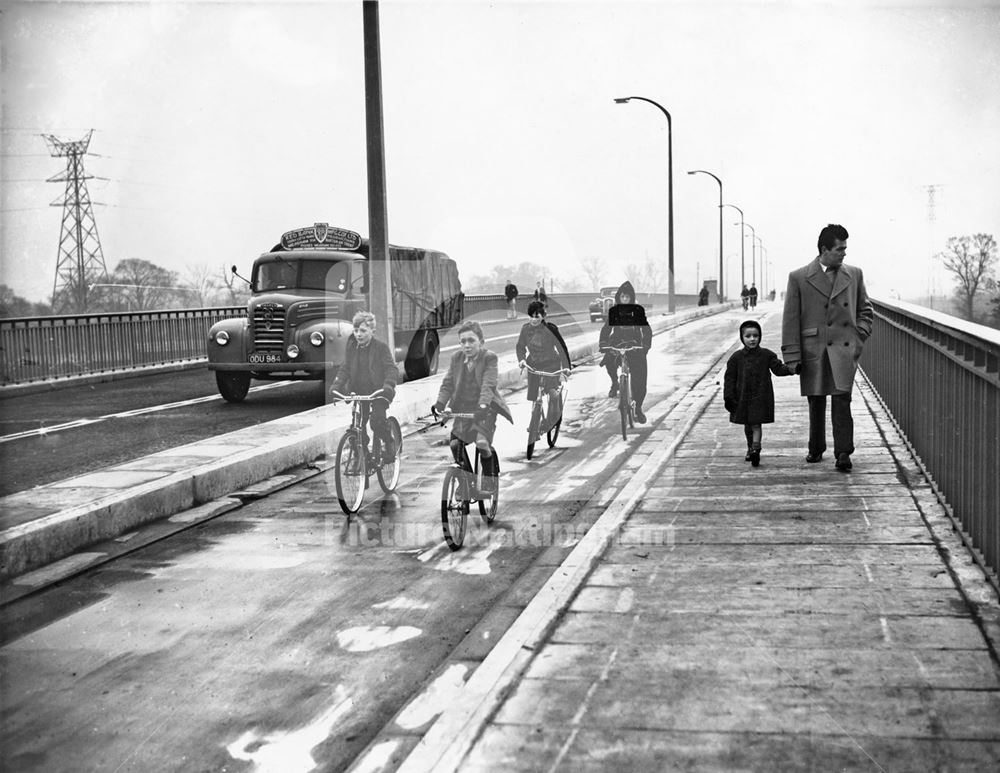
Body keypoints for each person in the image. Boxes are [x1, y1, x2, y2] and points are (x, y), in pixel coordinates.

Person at [781, 223, 874, 471]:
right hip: (814, 347)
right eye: (840, 249)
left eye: (845, 248)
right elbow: (790, 319)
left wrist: (859, 335)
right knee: (816, 398)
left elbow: (865, 310)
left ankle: (843, 452)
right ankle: (816, 447)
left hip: (844, 348)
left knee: (842, 398)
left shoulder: (854, 274)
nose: (844, 253)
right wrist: (792, 355)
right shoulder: (799, 277)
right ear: (824, 249)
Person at [433, 321, 513, 491]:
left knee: (482, 443)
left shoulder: (489, 358)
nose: (466, 345)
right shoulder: (457, 358)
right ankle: (466, 481)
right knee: (455, 445)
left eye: (471, 341)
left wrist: (483, 405)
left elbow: (488, 384)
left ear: (481, 342)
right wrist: (440, 403)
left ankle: (489, 480)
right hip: (463, 409)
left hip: (485, 409)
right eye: (463, 342)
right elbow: (448, 383)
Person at [724, 320, 795, 466]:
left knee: (756, 424)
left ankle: (756, 450)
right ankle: (750, 447)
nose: (752, 339)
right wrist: (729, 397)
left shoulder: (766, 355)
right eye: (748, 336)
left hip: (760, 396)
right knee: (747, 425)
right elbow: (729, 378)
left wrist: (792, 369)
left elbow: (778, 369)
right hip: (742, 397)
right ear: (742, 338)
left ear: (760, 337)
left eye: (755, 336)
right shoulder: (736, 358)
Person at [329, 310, 399, 458]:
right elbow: (345, 368)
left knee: (376, 422)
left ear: (372, 332)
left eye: (363, 331)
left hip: (379, 392)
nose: (358, 334)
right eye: (355, 330)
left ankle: (389, 441)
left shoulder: (381, 348)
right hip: (360, 393)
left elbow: (391, 369)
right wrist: (337, 385)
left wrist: (388, 385)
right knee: (357, 427)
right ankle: (361, 455)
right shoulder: (352, 348)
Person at [598, 280, 652, 423]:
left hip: (634, 346)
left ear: (631, 298)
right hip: (617, 343)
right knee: (608, 360)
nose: (624, 299)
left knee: (640, 377)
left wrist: (645, 346)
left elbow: (646, 330)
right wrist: (603, 343)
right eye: (622, 297)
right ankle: (615, 382)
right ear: (618, 298)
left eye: (627, 297)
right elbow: (606, 329)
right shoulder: (614, 312)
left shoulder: (637, 311)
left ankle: (638, 407)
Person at [516, 300, 572, 431]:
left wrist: (566, 367)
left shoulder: (551, 329)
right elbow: (520, 347)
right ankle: (534, 420)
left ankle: (553, 419)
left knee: (552, 393)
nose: (533, 319)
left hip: (551, 365)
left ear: (543, 316)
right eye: (531, 316)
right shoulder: (525, 329)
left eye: (537, 316)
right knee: (534, 395)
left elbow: (561, 348)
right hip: (533, 365)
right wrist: (522, 360)